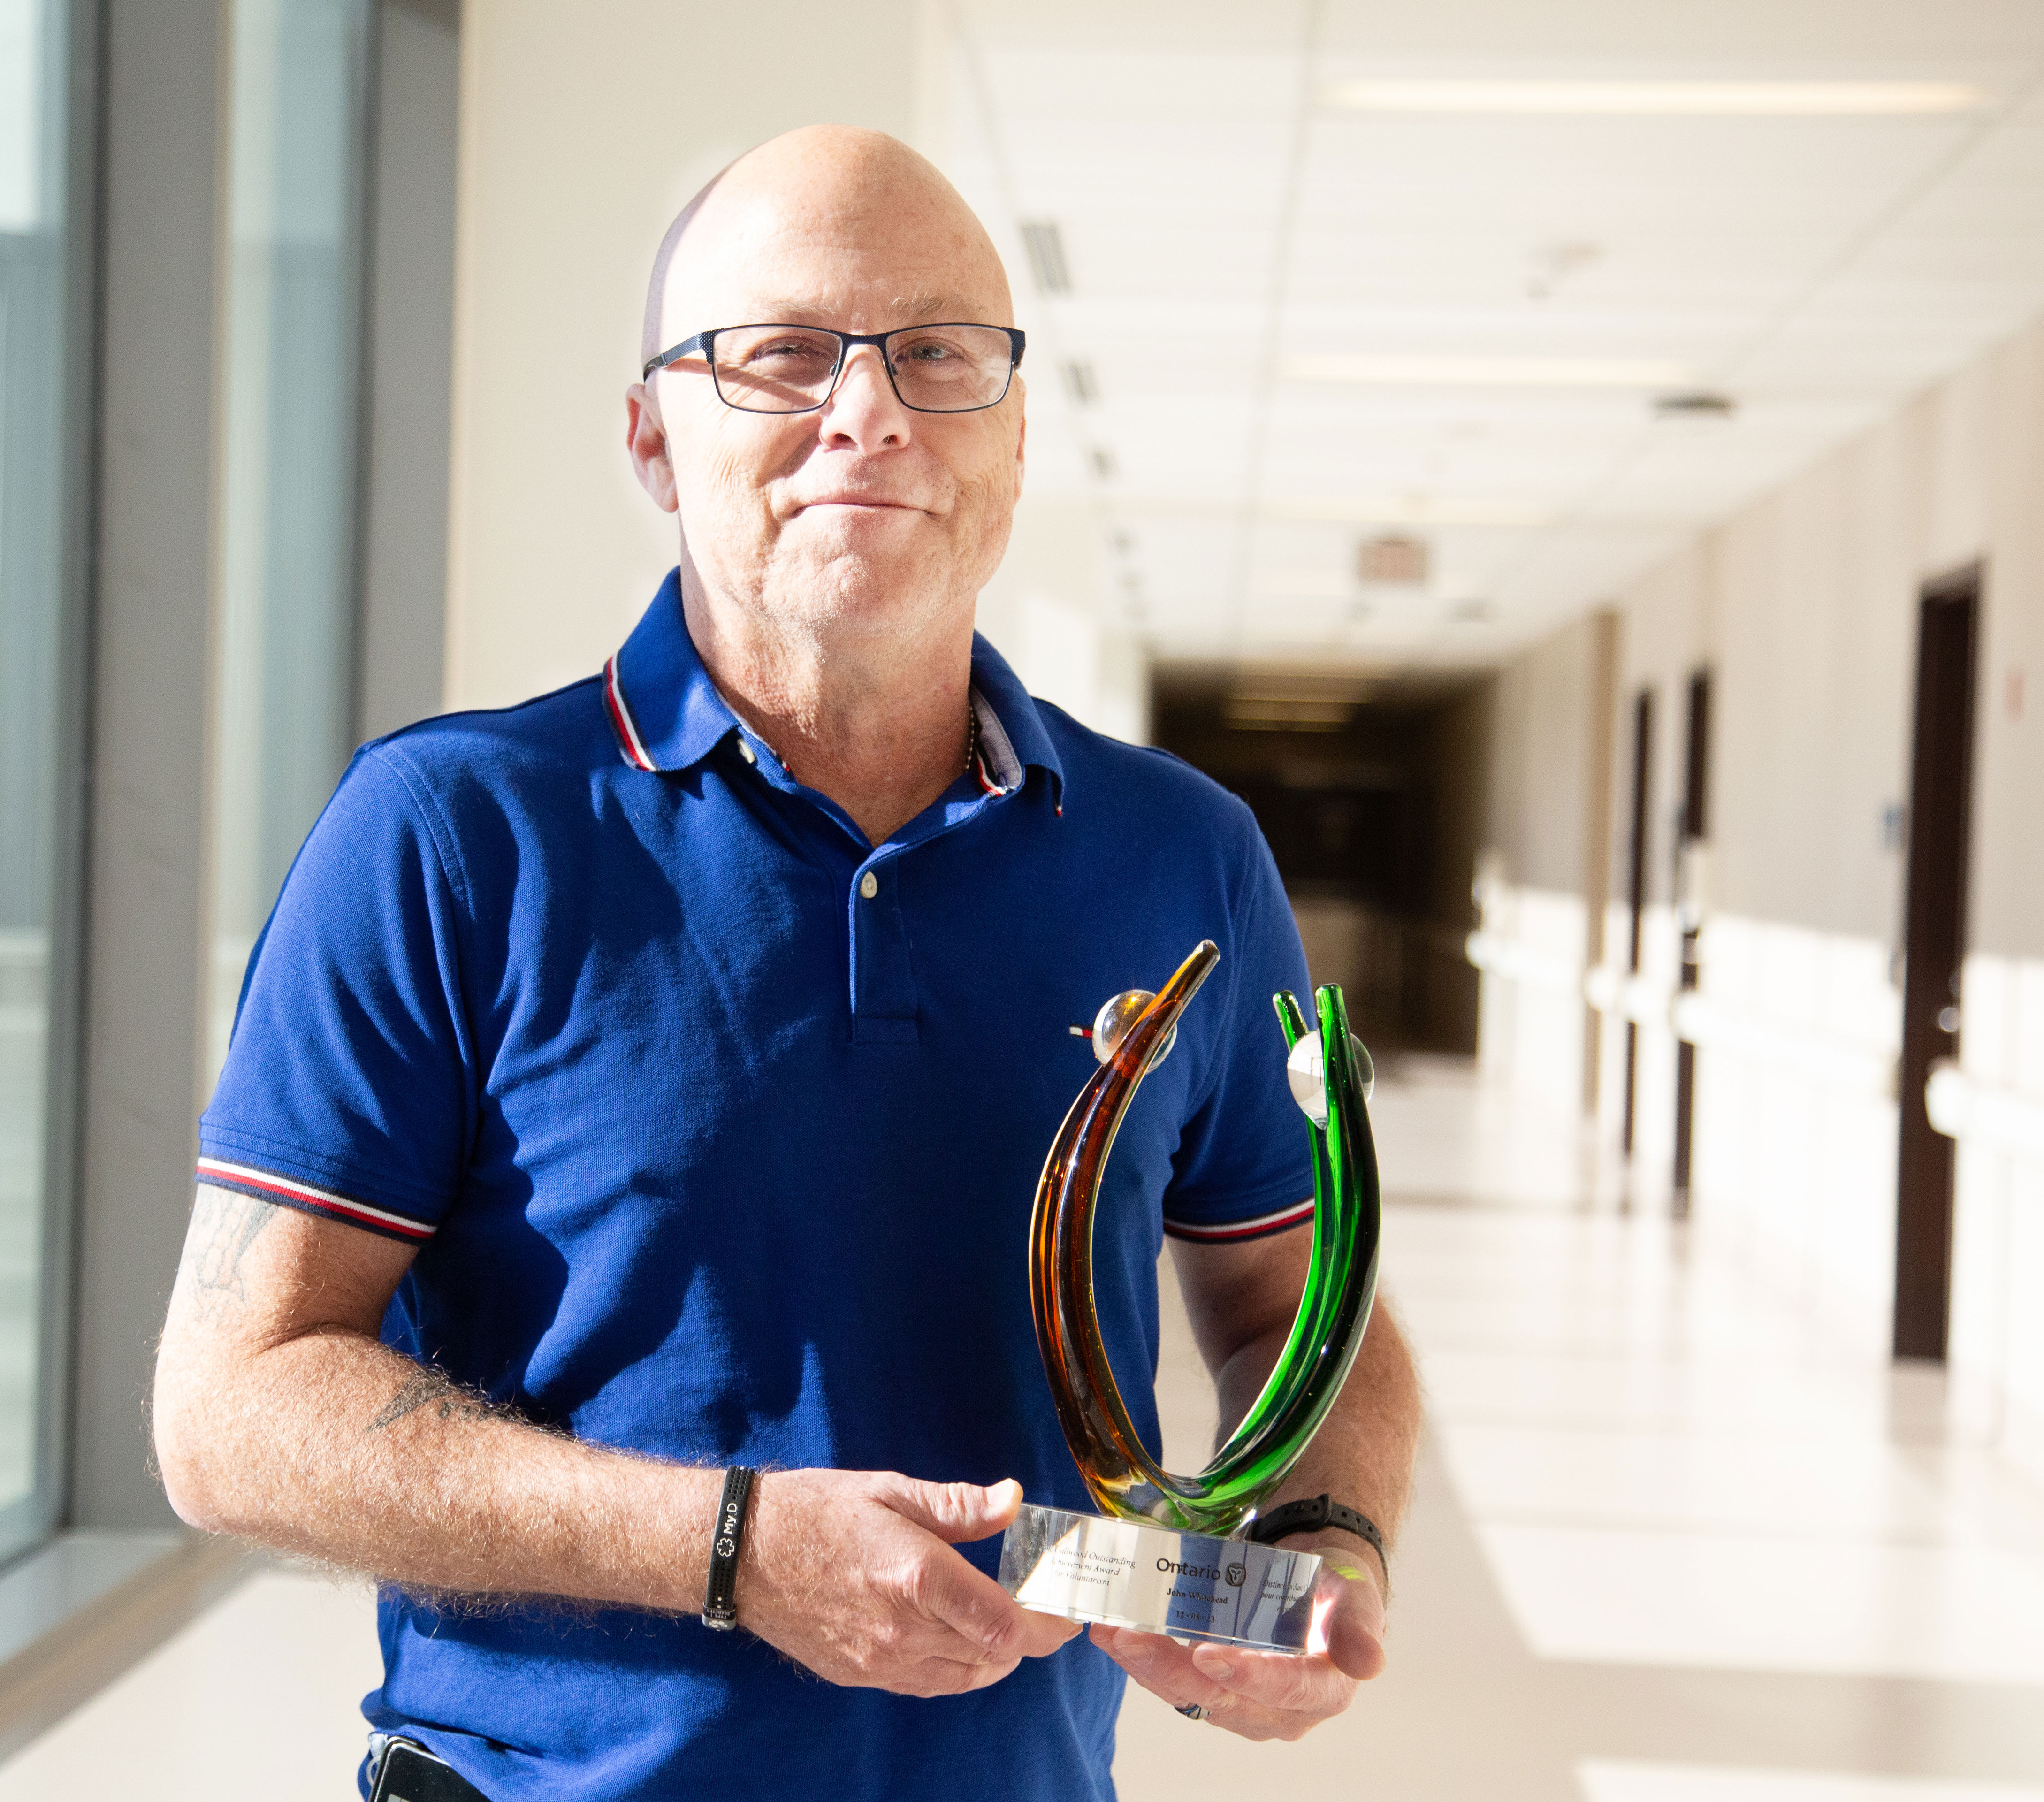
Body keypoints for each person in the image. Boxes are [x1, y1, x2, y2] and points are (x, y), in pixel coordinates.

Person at [152, 124, 1421, 1802]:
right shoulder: (448, 835)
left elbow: (1300, 1304)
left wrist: (1324, 1541)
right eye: (783, 356)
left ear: (1018, 434)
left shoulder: (1184, 855)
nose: (871, 411)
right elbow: (232, 1411)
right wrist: (732, 1545)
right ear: (652, 438)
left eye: (940, 354)